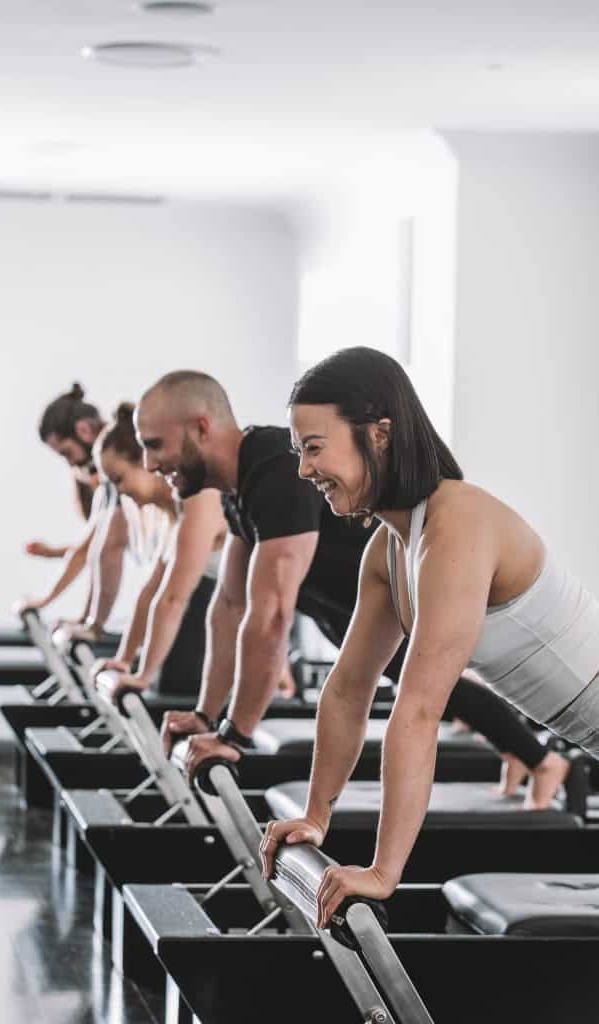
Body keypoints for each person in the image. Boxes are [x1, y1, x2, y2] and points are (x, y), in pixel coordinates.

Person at [260, 346, 599, 926]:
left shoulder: (456, 526)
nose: (303, 471)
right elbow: (348, 689)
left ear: (380, 434)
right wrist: (317, 815)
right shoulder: (390, 549)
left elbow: (417, 713)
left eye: (314, 448)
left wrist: (383, 872)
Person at [136, 370, 568, 804]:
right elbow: (229, 606)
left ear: (201, 427)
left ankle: (542, 759)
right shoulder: (239, 487)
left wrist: (233, 737)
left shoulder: (270, 467)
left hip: (402, 602)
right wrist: (205, 716)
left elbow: (270, 616)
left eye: (154, 445)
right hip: (345, 612)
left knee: (441, 692)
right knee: (439, 691)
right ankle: (526, 752)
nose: (150, 465)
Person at [90, 403, 227, 696]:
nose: (121, 492)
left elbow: (173, 599)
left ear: (144, 462)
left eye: (119, 479)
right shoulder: (177, 510)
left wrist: (142, 676)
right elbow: (153, 591)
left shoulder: (199, 497)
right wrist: (123, 661)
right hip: (201, 630)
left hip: (215, 633)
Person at [14, 383, 128, 638]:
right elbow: (95, 548)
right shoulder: (108, 479)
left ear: (84, 430)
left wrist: (92, 625)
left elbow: (101, 549)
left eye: (67, 452)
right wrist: (86, 620)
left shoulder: (120, 467)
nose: (71, 463)